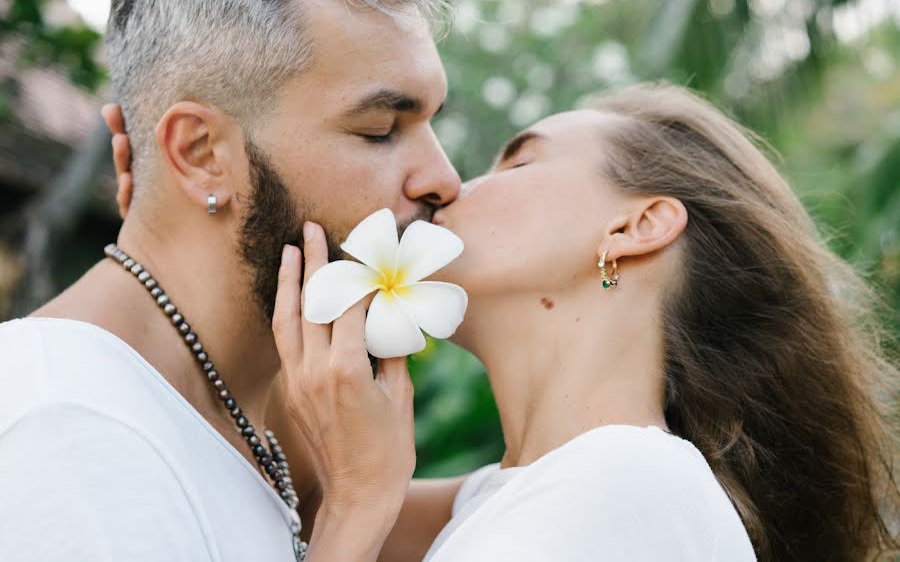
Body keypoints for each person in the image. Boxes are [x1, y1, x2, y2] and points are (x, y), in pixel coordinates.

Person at [270, 84, 900, 561]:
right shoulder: (525, 494)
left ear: (634, 227)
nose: (450, 187)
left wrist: (356, 504)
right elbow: (294, 489)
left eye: (517, 164)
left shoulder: (629, 485)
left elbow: (339, 500)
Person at [0, 0, 468, 560]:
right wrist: (354, 514)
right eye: (380, 129)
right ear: (201, 155)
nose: (444, 178)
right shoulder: (72, 433)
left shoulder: (254, 419)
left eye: (429, 124)